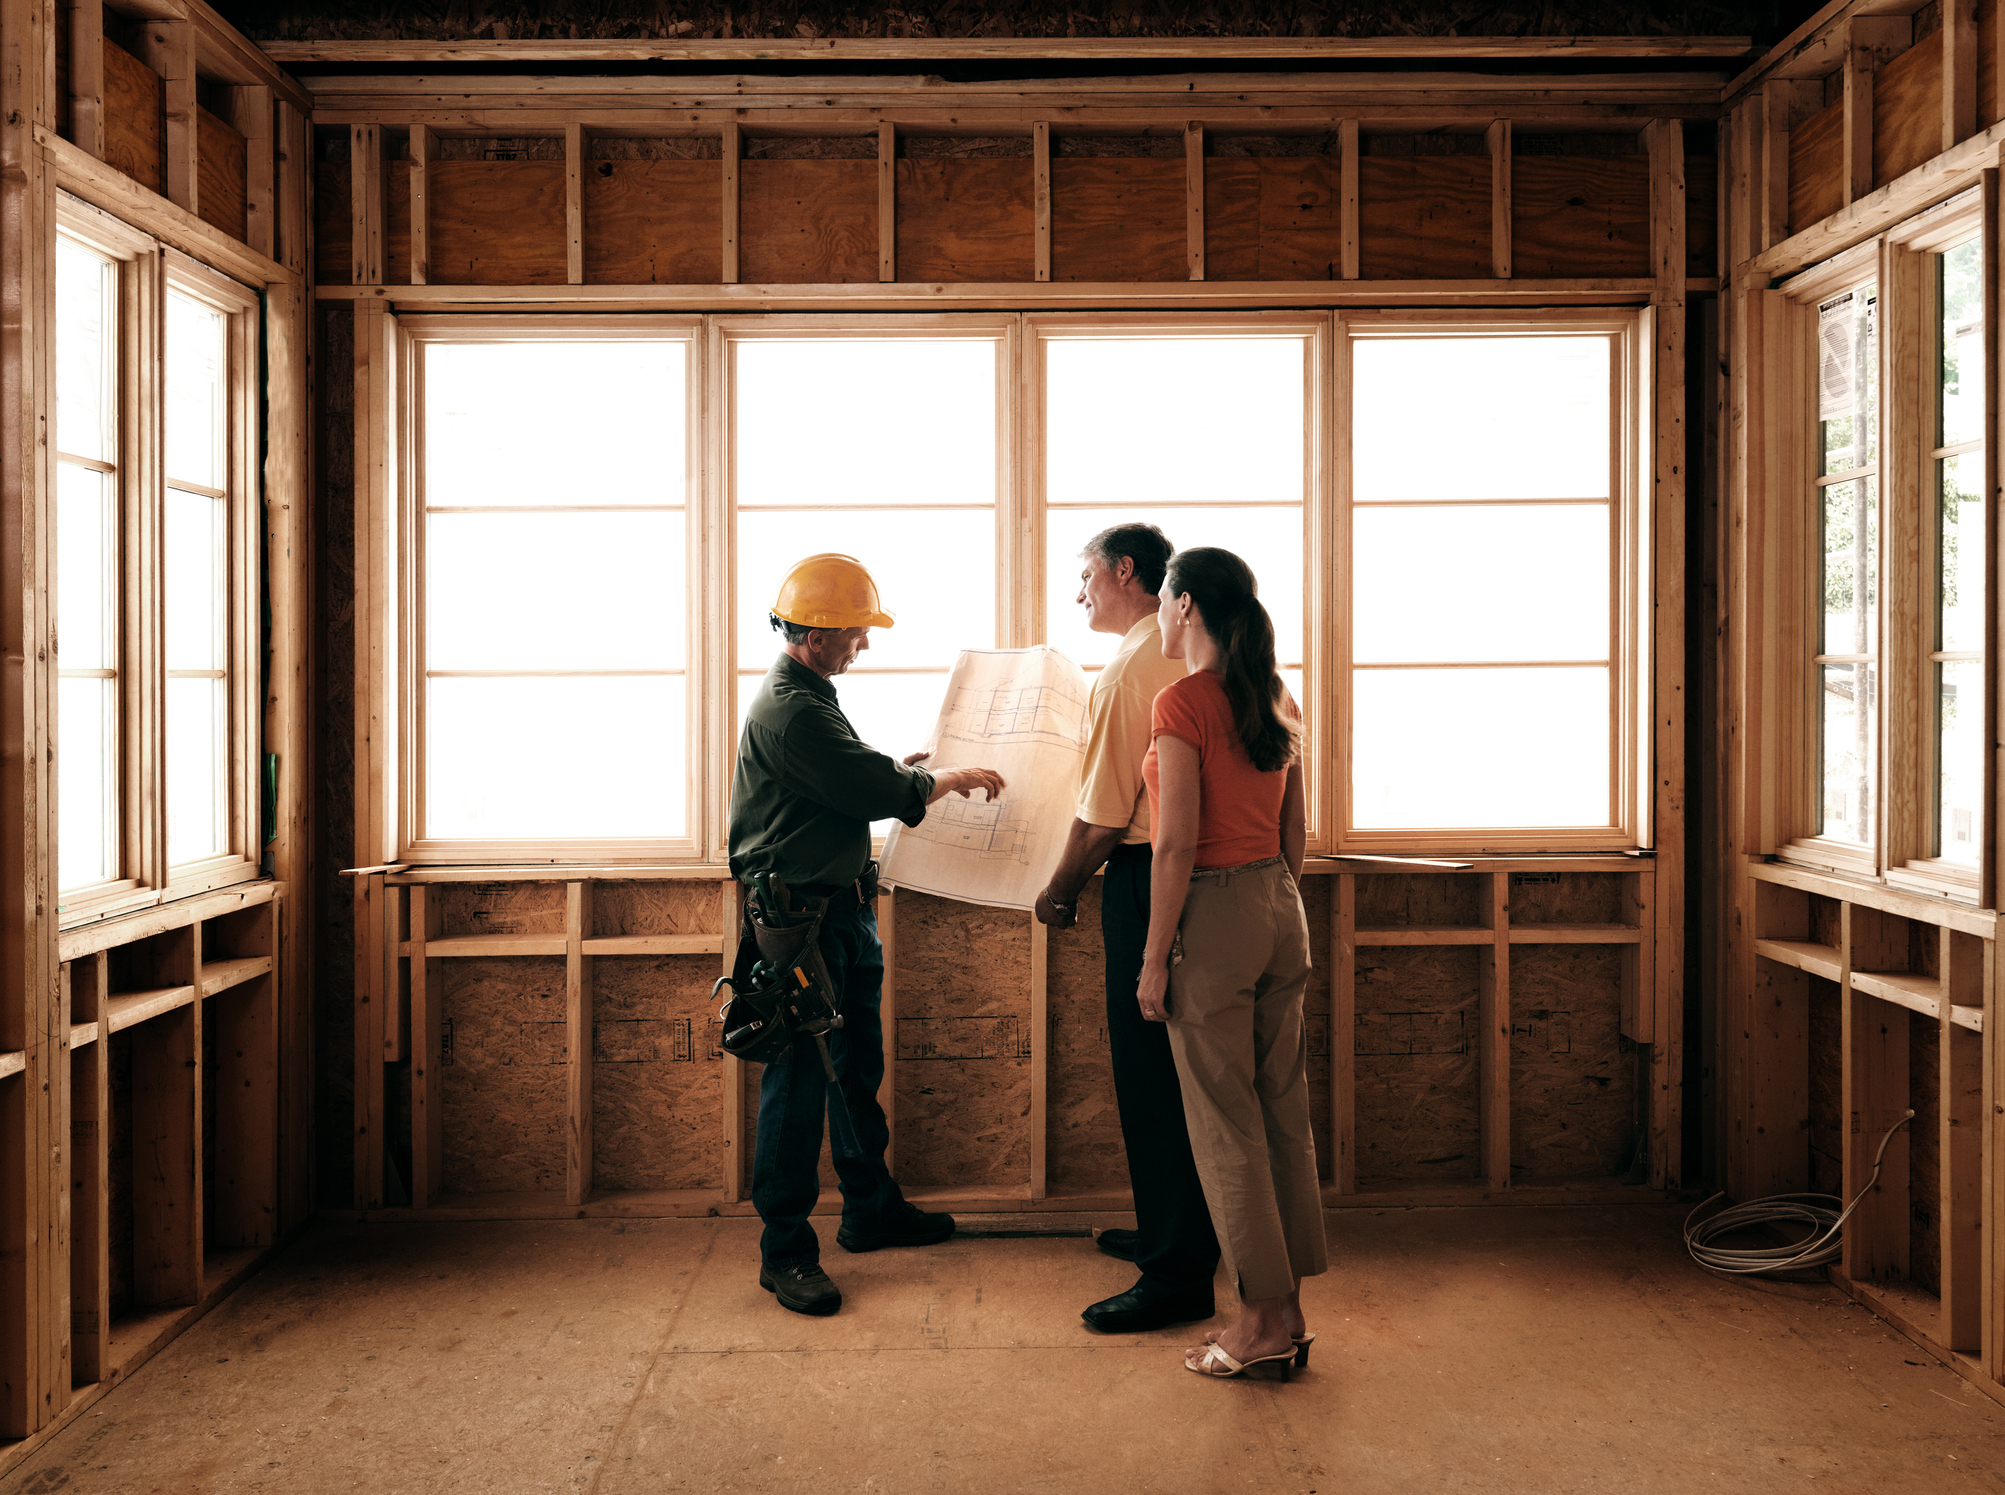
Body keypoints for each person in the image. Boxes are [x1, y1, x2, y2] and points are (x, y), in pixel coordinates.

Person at [730, 552, 1006, 1317]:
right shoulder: (791, 706)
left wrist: (893, 768)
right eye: (856, 630)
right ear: (815, 634)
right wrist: (938, 778)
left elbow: (843, 779)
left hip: (838, 915)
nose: (864, 643)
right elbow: (874, 789)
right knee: (797, 1089)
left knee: (854, 1071)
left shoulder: (809, 694)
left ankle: (868, 1207)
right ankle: (784, 1252)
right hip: (801, 926)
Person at [1137, 546, 1326, 1380]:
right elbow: (1295, 831)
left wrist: (1152, 960)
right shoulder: (1273, 694)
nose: (1158, 616)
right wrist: (1275, 901)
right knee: (1281, 1111)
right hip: (1279, 908)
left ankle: (1256, 1323)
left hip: (1213, 914)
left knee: (1226, 1126)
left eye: (1162, 603)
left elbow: (1174, 841)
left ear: (1181, 606)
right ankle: (1286, 1310)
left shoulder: (1180, 702)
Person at [1033, 524, 1222, 1333]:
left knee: (1149, 1073)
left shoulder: (1129, 672)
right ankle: (1171, 1233)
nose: (1079, 595)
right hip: (1216, 884)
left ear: (1124, 572)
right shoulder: (1196, 654)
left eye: (1085, 578)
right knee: (1182, 1075)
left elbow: (1105, 816)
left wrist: (1058, 889)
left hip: (1148, 879)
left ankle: (1175, 1272)